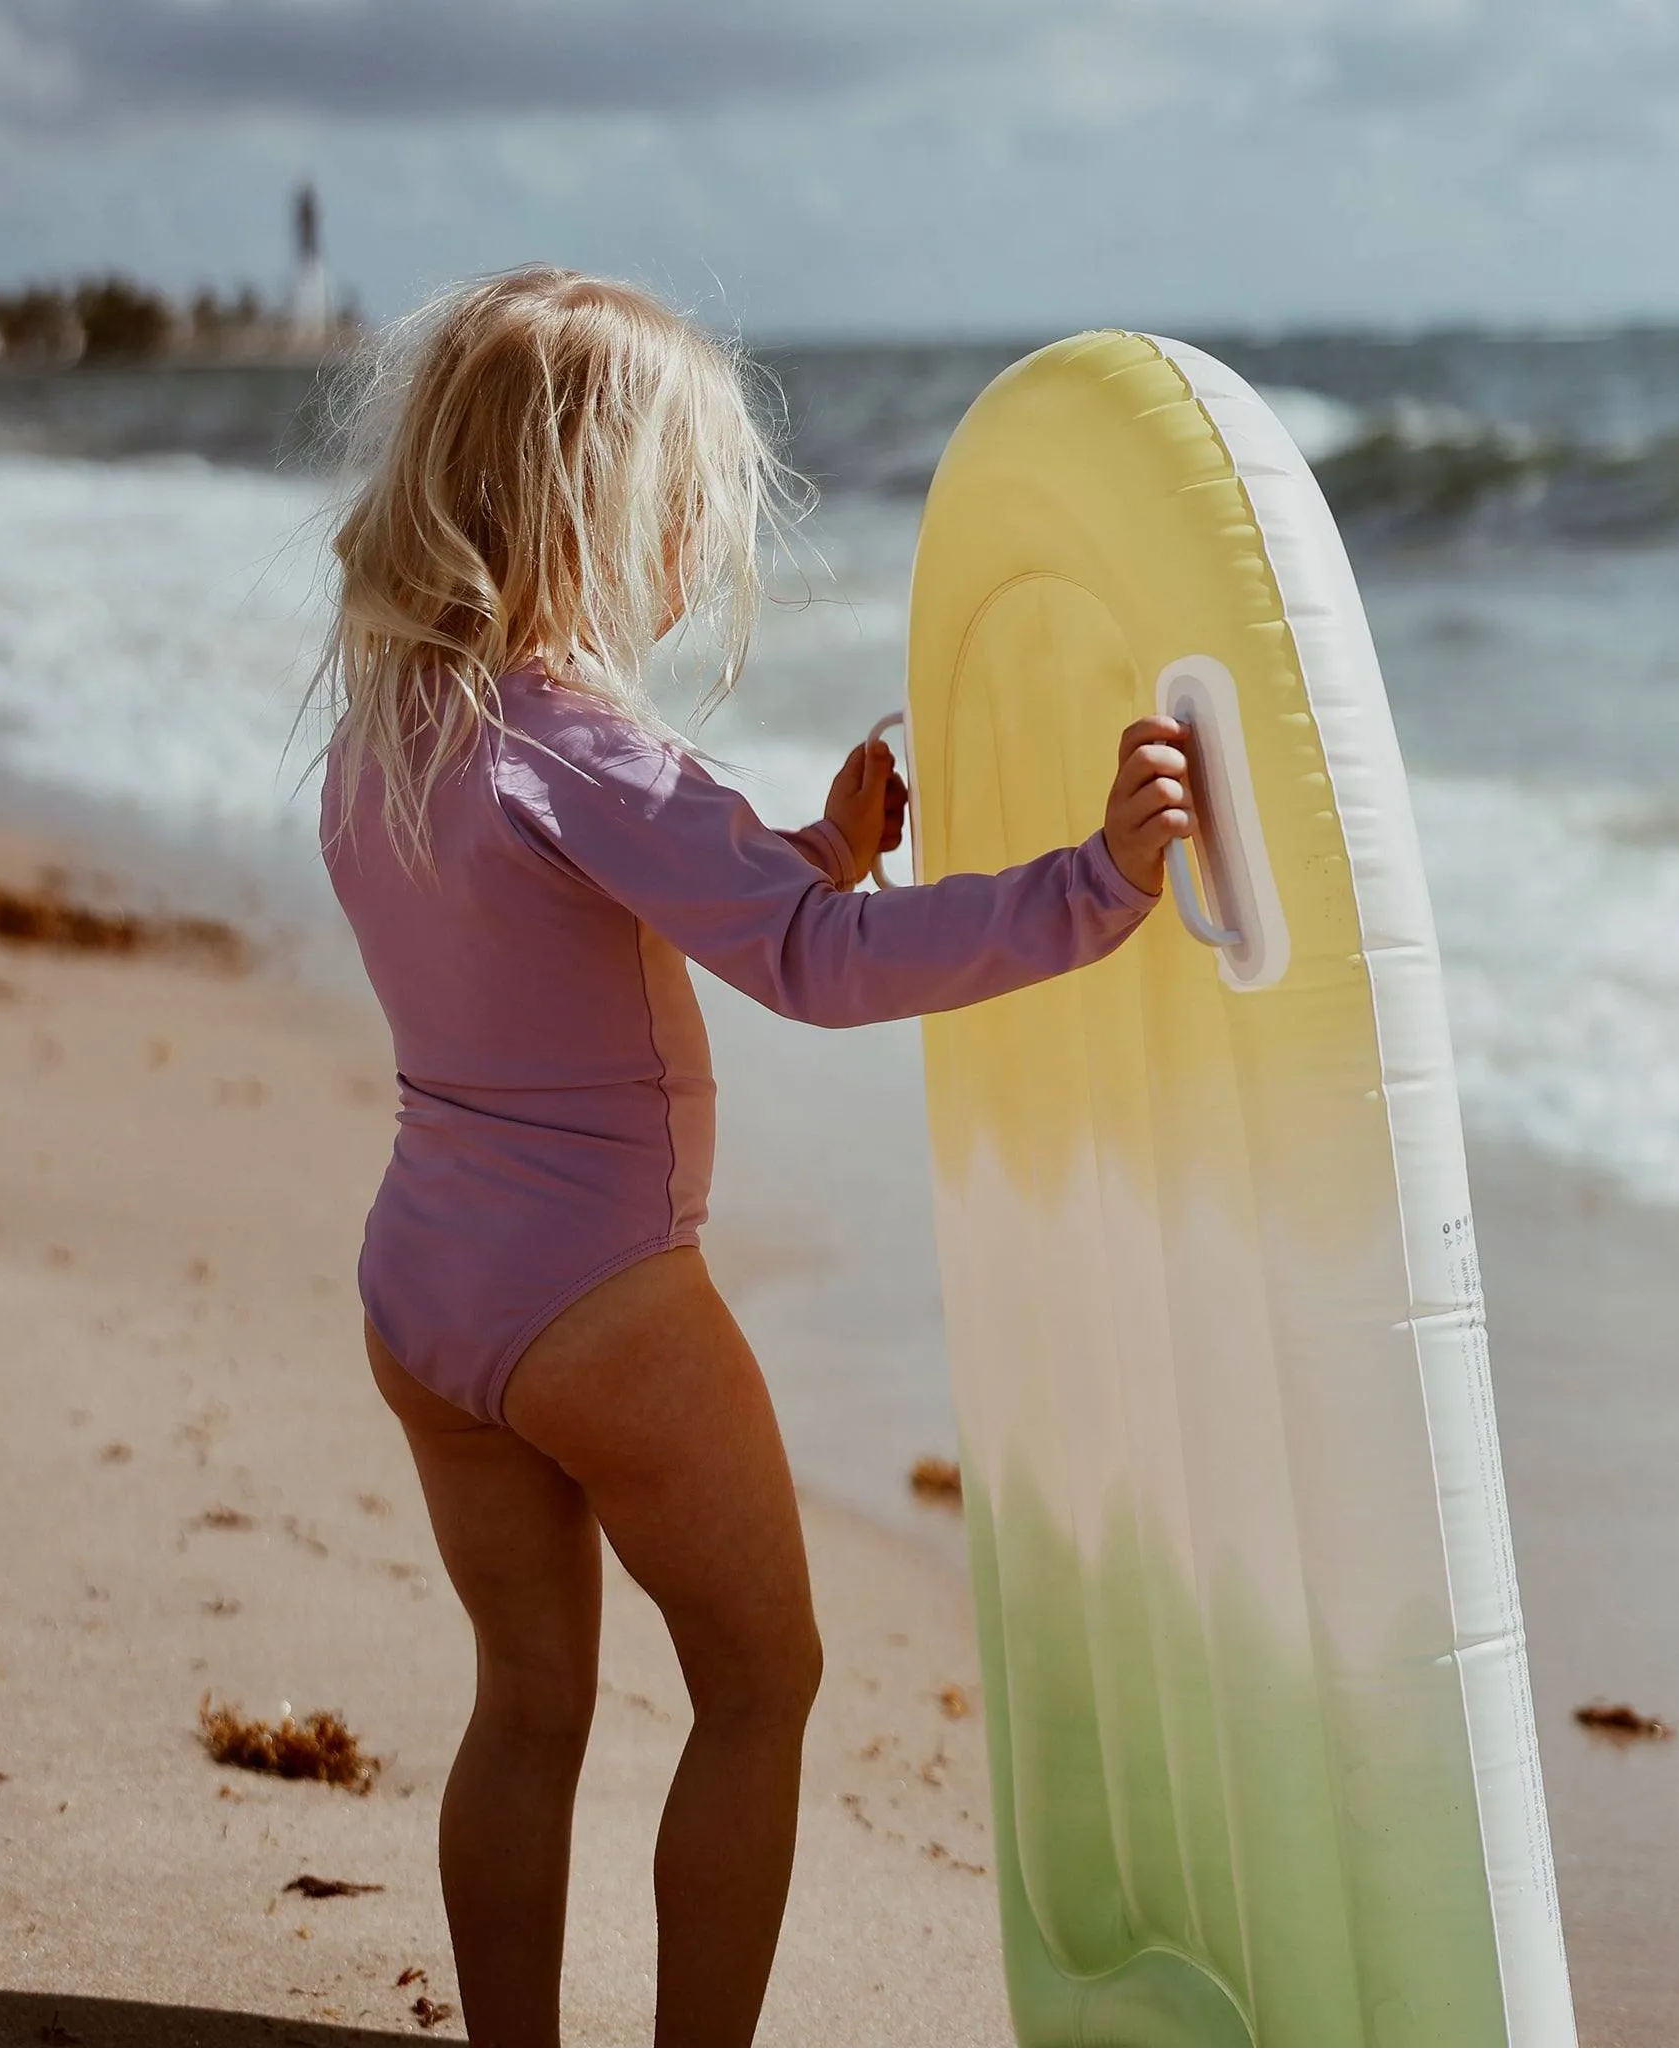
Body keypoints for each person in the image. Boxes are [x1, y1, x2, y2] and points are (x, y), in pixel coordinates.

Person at [315, 266, 1195, 2048]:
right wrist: (1088, 887)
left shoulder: (388, 740)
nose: (699, 537)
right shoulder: (598, 750)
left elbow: (565, 926)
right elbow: (814, 966)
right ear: (597, 504)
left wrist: (810, 845)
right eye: (684, 500)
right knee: (760, 1683)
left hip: (422, 1288)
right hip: (601, 1298)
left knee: (527, 1699)